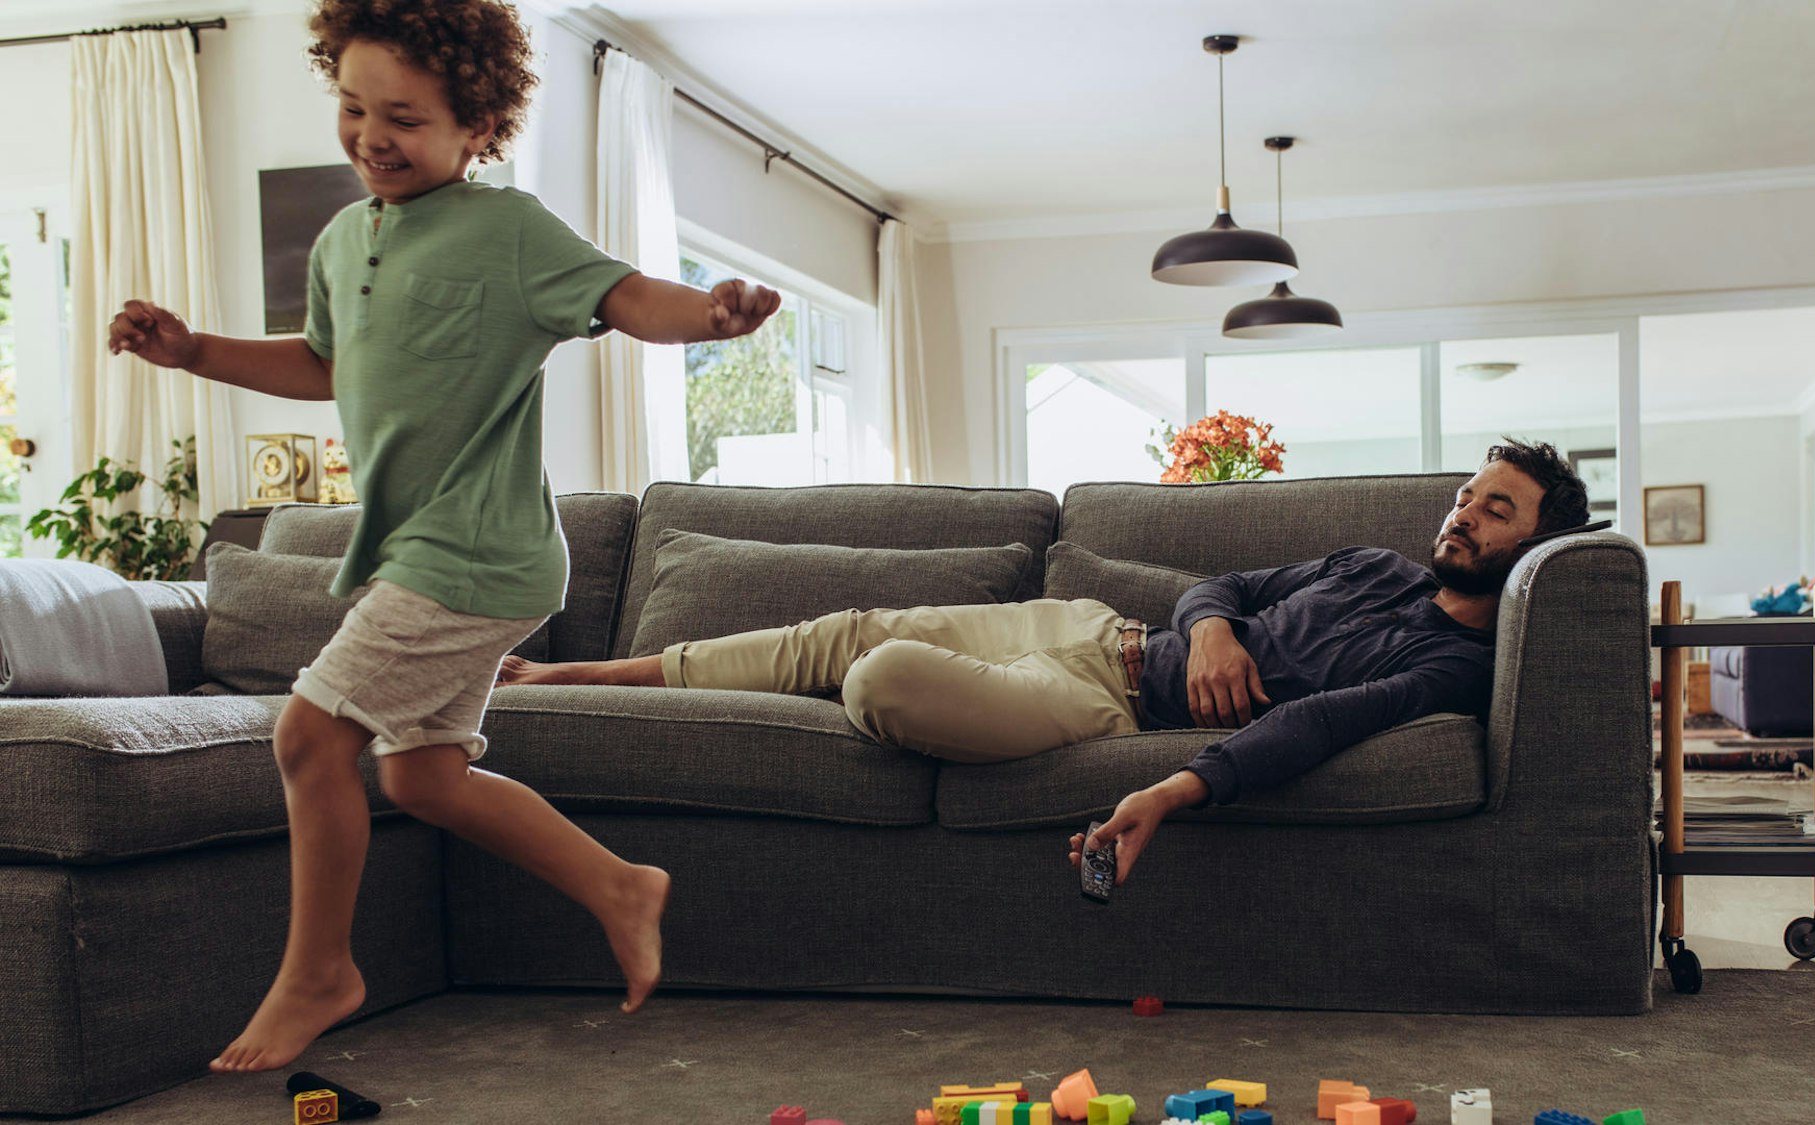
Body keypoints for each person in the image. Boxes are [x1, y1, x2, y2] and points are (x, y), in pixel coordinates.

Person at [106, 0, 779, 1074]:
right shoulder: (341, 239)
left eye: (405, 118)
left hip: (477, 551)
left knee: (306, 736)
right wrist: (193, 354)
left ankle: (321, 970)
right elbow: (324, 368)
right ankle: (618, 884)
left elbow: (624, 295)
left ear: (476, 129)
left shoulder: (507, 231)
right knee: (418, 777)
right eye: (353, 106)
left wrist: (709, 317)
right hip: (428, 553)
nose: (372, 135)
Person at [501, 441, 1590, 881]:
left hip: (1094, 705)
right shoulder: (1368, 563)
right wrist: (1207, 628)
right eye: (1464, 497)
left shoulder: (1452, 664)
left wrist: (1170, 787)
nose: (1463, 516)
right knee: (839, 632)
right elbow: (1225, 590)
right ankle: (565, 678)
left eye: (1494, 512)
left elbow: (1310, 728)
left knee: (877, 674)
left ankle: (851, 689)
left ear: (1530, 545)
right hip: (1088, 629)